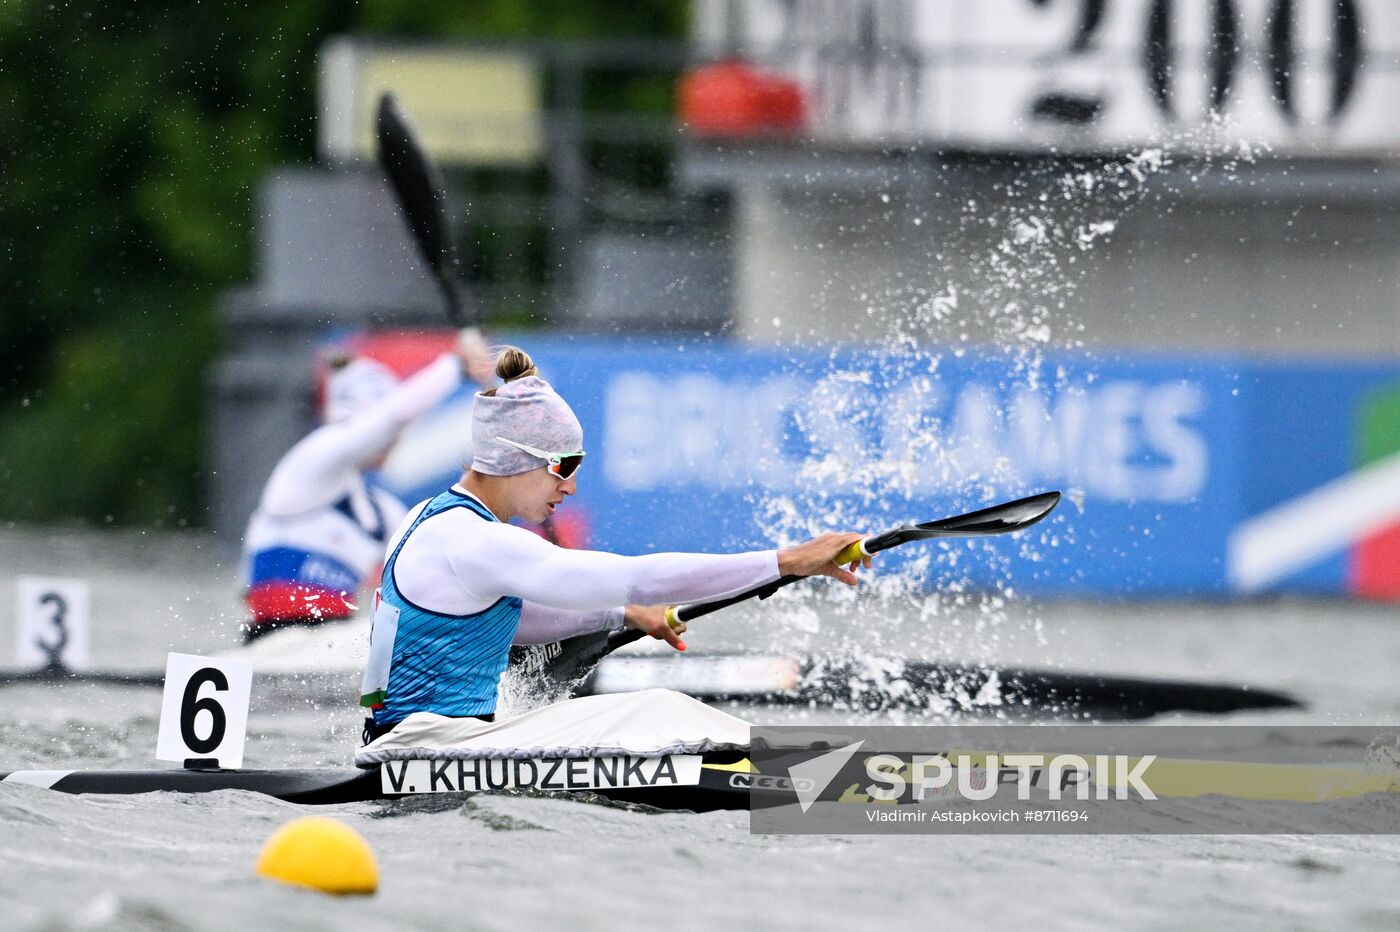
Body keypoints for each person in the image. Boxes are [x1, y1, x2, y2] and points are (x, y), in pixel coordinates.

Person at [359, 345, 871, 738]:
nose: (572, 486)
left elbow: (507, 621)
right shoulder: (476, 541)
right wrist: (788, 560)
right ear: (515, 458)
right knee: (658, 709)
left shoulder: (425, 518)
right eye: (564, 466)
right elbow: (638, 577)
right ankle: (832, 777)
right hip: (430, 749)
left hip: (397, 741)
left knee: (648, 708)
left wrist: (621, 616)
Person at [239, 330, 494, 642]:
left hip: (331, 640)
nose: (399, 438)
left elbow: (441, 569)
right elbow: (395, 415)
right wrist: (456, 365)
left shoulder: (382, 511)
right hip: (272, 640)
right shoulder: (308, 463)